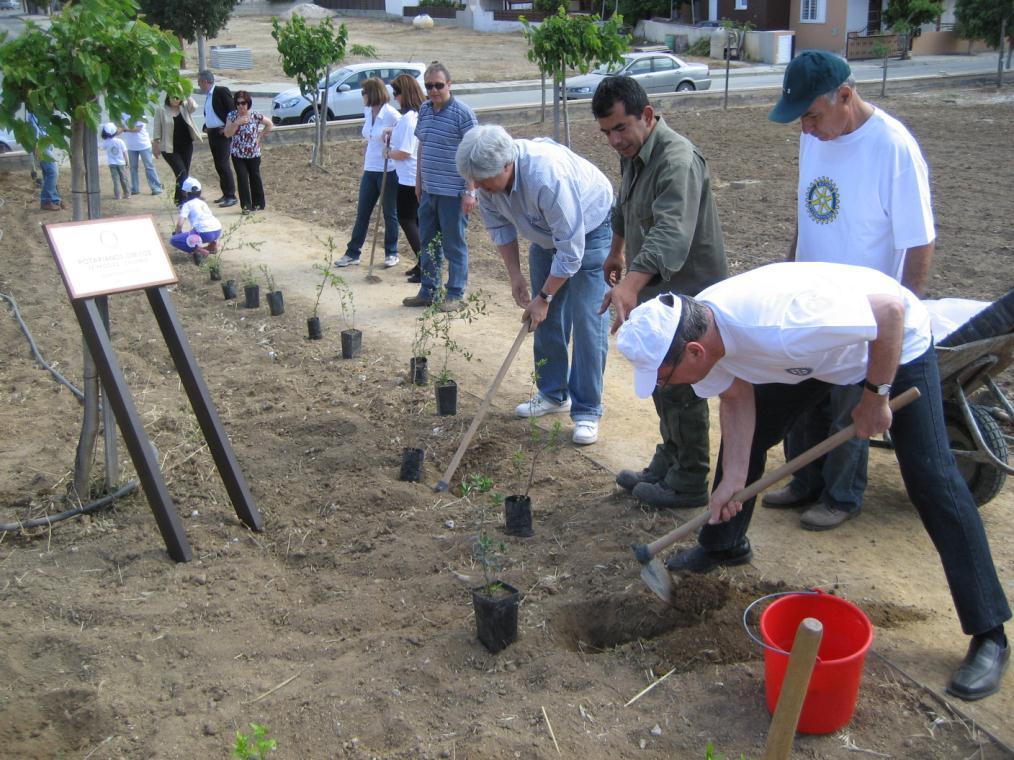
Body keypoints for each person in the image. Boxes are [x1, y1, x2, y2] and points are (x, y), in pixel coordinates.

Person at [615, 262, 1010, 702]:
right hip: (815, 358)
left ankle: (989, 634)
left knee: (931, 478)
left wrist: (875, 396)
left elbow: (889, 311)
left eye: (663, 378)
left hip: (890, 342)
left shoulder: (782, 324)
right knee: (750, 440)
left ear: (693, 352)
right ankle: (723, 542)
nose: (665, 387)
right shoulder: (703, 330)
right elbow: (735, 396)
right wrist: (735, 481)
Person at [761, 50, 937, 531]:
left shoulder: (893, 147)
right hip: (810, 297)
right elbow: (807, 210)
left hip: (865, 309)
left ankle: (841, 495)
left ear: (845, 95)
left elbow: (919, 242)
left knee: (847, 404)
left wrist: (905, 315)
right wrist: (791, 269)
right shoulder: (817, 136)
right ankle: (803, 480)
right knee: (801, 392)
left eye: (812, 116)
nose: (806, 129)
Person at [592, 76, 728, 509]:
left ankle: (689, 479)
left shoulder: (677, 160)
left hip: (689, 293)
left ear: (647, 116)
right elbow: (623, 204)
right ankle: (670, 458)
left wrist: (630, 284)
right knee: (658, 379)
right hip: (656, 287)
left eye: (620, 128)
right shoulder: (634, 153)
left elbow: (671, 232)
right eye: (606, 132)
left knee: (681, 384)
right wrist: (617, 251)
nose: (614, 140)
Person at [456, 125, 613, 445]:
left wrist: (544, 295)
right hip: (543, 236)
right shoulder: (488, 186)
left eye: (485, 180)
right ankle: (553, 394)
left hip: (590, 230)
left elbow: (571, 251)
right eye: (476, 181)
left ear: (506, 165)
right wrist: (515, 276)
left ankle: (587, 409)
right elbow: (500, 228)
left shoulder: (547, 176)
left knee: (587, 319)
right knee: (546, 320)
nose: (481, 188)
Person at [403, 61, 479, 312]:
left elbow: (473, 154)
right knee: (428, 243)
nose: (433, 90)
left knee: (453, 245)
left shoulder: (463, 114)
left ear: (449, 85)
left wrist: (470, 191)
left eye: (438, 85)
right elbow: (422, 146)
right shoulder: (424, 110)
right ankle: (428, 290)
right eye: (429, 86)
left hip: (453, 194)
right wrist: (418, 182)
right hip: (429, 191)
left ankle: (455, 294)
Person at [334, 77, 401, 269]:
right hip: (370, 168)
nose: (361, 96)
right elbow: (370, 134)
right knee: (362, 212)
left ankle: (391, 252)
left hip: (388, 169)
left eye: (363, 92)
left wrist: (391, 143)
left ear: (372, 93)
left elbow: (403, 136)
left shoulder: (391, 114)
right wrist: (369, 141)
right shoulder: (368, 111)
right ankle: (353, 253)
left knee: (389, 213)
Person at [387, 73, 425, 283]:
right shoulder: (412, 117)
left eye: (397, 93)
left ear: (405, 93)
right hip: (409, 177)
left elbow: (405, 152)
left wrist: (388, 154)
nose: (395, 98)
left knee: (407, 220)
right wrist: (391, 132)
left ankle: (426, 264)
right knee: (416, 222)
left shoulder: (411, 119)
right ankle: (423, 263)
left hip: (409, 179)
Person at [223, 89, 273, 214]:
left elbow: (269, 123)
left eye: (243, 103)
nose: (241, 106)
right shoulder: (232, 116)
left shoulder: (255, 115)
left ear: (248, 103)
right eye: (238, 103)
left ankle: (258, 204)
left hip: (253, 153)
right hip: (238, 154)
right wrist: (236, 123)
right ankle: (246, 206)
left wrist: (260, 136)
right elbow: (227, 133)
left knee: (255, 176)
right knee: (242, 177)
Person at [153, 93, 202, 207]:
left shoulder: (184, 106)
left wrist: (186, 92)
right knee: (181, 172)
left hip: (186, 145)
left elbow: (194, 106)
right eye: (173, 96)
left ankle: (179, 198)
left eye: (178, 97)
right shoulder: (161, 110)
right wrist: (155, 145)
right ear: (168, 97)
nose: (176, 99)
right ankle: (182, 200)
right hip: (169, 148)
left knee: (183, 173)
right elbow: (156, 129)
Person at [197, 69, 238, 208]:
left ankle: (231, 195)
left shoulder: (221, 91)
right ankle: (225, 193)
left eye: (199, 82)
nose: (199, 86)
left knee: (223, 164)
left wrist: (227, 128)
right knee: (218, 164)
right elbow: (210, 114)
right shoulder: (209, 96)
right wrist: (206, 126)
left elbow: (232, 111)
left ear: (205, 81)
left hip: (222, 134)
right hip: (212, 133)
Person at [169, 177, 222, 258]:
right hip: (217, 230)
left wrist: (177, 233)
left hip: (205, 233)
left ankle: (200, 251)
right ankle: (213, 245)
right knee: (197, 228)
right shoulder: (202, 203)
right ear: (199, 192)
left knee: (174, 240)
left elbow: (180, 224)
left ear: (185, 193)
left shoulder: (187, 205)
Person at [119, 113, 163, 196]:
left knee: (149, 166)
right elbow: (119, 123)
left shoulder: (140, 112)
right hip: (130, 145)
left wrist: (124, 129)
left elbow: (137, 129)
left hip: (143, 144)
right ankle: (135, 188)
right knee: (133, 167)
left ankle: (156, 188)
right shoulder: (123, 113)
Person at [28, 112, 62, 211]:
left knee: (48, 173)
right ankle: (46, 201)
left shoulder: (45, 110)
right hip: (41, 145)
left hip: (47, 144)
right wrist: (37, 146)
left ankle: (55, 200)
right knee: (53, 172)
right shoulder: (34, 112)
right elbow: (34, 129)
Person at [100, 122, 130, 200]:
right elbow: (125, 152)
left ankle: (118, 195)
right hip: (121, 163)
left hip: (112, 163)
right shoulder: (120, 141)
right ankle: (127, 193)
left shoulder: (106, 142)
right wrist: (127, 161)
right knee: (124, 178)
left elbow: (101, 147)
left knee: (115, 179)